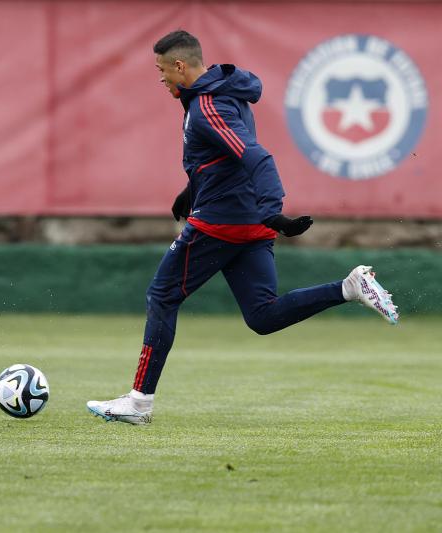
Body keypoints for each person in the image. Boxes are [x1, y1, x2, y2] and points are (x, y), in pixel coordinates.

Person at [86, 30, 398, 425]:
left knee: (162, 296)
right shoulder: (223, 94)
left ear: (179, 66)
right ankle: (348, 287)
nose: (160, 78)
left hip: (222, 224)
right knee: (263, 317)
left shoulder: (207, 106)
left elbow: (255, 156)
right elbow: (227, 158)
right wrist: (192, 188)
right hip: (246, 224)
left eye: (161, 69)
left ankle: (139, 402)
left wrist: (274, 211)